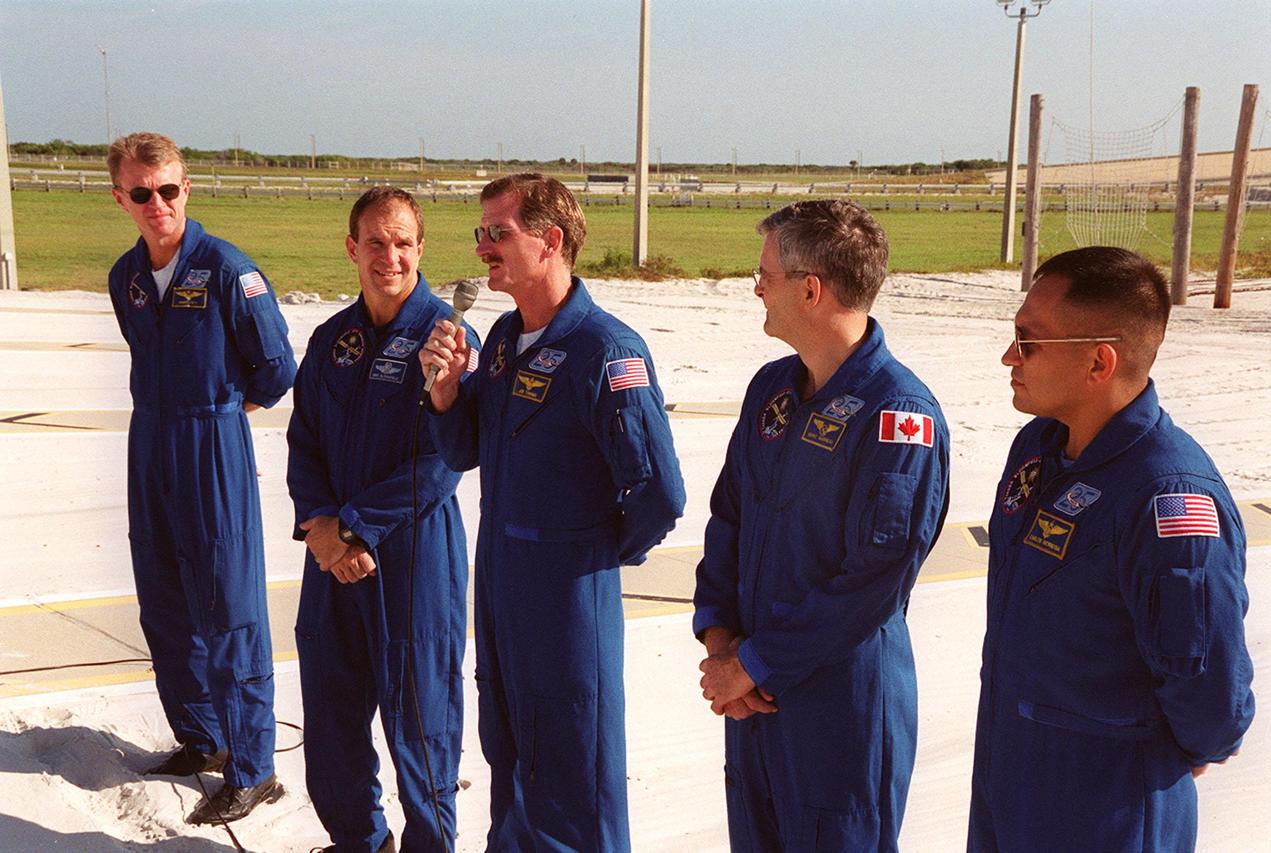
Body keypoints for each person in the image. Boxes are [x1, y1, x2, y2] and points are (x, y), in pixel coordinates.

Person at [419, 173, 685, 851]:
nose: (483, 247)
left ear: (551, 240)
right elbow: (466, 450)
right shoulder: (504, 339)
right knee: (510, 760)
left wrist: (588, 553)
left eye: (498, 232)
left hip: (567, 601)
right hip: (503, 588)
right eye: (480, 233)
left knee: (574, 780)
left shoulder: (607, 351)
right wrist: (446, 394)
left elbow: (659, 492)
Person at [968, 247, 1255, 852]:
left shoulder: (1166, 495)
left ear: (1099, 361)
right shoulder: (1039, 448)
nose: (1009, 357)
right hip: (1009, 776)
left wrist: (1180, 750)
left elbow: (1208, 689)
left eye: (1027, 342)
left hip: (1105, 807)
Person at [693, 199, 950, 850]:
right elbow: (728, 520)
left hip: (838, 710)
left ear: (811, 290)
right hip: (753, 698)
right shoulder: (771, 390)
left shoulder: (899, 416)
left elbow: (875, 579)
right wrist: (722, 645)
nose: (757, 287)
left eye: (765, 274)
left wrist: (754, 663)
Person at [106, 132, 294, 823]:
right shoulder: (126, 277)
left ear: (186, 189)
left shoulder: (228, 270)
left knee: (229, 608)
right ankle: (202, 736)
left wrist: (220, 417)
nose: (157, 203)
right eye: (142, 193)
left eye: (168, 190)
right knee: (163, 598)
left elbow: (277, 368)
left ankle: (253, 767)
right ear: (121, 198)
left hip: (211, 441)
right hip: (149, 440)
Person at [287, 187, 480, 853]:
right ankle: (360, 842)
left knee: (421, 724)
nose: (389, 256)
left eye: (402, 243)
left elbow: (446, 460)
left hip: (413, 554)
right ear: (352, 248)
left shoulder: (449, 338)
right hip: (330, 554)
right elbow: (305, 441)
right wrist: (321, 525)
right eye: (375, 242)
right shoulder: (330, 339)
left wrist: (356, 527)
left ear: (421, 249)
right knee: (331, 717)